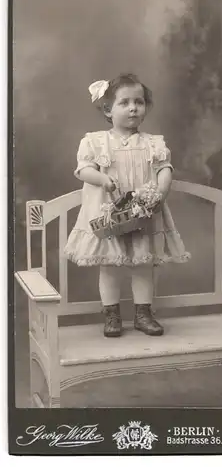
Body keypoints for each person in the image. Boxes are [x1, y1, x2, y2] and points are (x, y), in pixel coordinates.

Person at [64, 73, 190, 337]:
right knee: (109, 266)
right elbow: (83, 170)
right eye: (125, 103)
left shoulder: (153, 143)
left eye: (139, 102)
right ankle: (111, 315)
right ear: (108, 110)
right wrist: (102, 178)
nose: (133, 107)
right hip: (109, 213)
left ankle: (143, 314)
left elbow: (164, 169)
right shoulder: (95, 142)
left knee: (143, 265)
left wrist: (159, 193)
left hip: (142, 214)